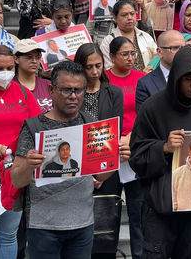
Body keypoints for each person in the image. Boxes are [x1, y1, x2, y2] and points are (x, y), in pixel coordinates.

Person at [11, 61, 129, 258]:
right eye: (66, 90)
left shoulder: (91, 124)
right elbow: (17, 180)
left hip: (82, 224)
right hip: (43, 226)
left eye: (79, 90)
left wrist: (117, 159)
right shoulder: (33, 127)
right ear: (51, 90)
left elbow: (100, 175)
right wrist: (28, 166)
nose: (73, 96)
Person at [129, 45, 191, 258]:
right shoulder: (152, 107)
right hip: (160, 207)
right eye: (188, 79)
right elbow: (136, 157)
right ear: (176, 78)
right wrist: (163, 147)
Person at [73, 43, 128, 259]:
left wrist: (101, 172)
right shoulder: (73, 93)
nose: (95, 72)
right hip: (77, 168)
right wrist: (86, 172)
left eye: (99, 65)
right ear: (80, 67)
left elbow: (115, 131)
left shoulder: (113, 92)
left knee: (106, 231)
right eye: (89, 67)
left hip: (107, 168)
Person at [0, 45, 41, 259]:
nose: (5, 72)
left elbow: (38, 125)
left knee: (9, 235)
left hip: (13, 173)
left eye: (10, 67)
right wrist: (1, 149)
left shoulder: (22, 92)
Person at [101, 0, 157, 72]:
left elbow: (157, 58)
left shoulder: (145, 36)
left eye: (132, 14)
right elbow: (108, 69)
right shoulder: (108, 41)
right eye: (124, 15)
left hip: (148, 81)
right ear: (115, 17)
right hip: (121, 82)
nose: (129, 18)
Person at [106, 37, 144, 143]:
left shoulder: (142, 78)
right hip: (113, 138)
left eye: (133, 53)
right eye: (125, 54)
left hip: (140, 135)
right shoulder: (104, 80)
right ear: (112, 56)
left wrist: (132, 136)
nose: (130, 58)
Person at [135, 30, 185, 110]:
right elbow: (144, 119)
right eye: (174, 48)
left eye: (183, 48)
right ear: (159, 52)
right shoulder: (145, 83)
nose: (181, 52)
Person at [13, 39, 52, 113]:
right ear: (16, 59)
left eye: (37, 57)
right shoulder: (9, 86)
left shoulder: (49, 85)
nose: (34, 61)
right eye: (29, 57)